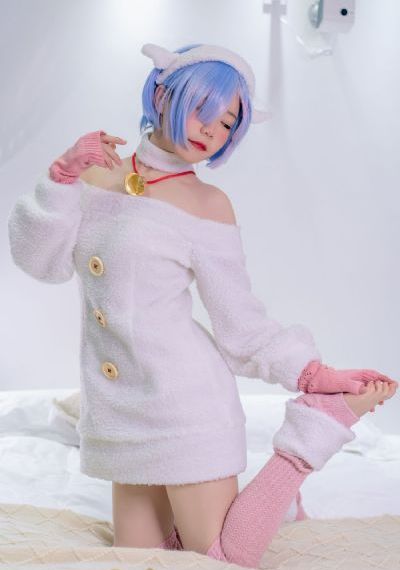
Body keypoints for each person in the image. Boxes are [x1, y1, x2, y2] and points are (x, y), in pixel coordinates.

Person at [7, 41, 398, 568]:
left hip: (186, 404)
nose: (211, 131)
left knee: (222, 556)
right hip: (120, 413)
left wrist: (313, 375)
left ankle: (315, 431)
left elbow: (241, 324)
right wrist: (60, 175)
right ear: (162, 94)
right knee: (139, 560)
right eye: (202, 110)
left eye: (227, 124)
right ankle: (266, 509)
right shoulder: (94, 176)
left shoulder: (209, 205)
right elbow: (41, 263)